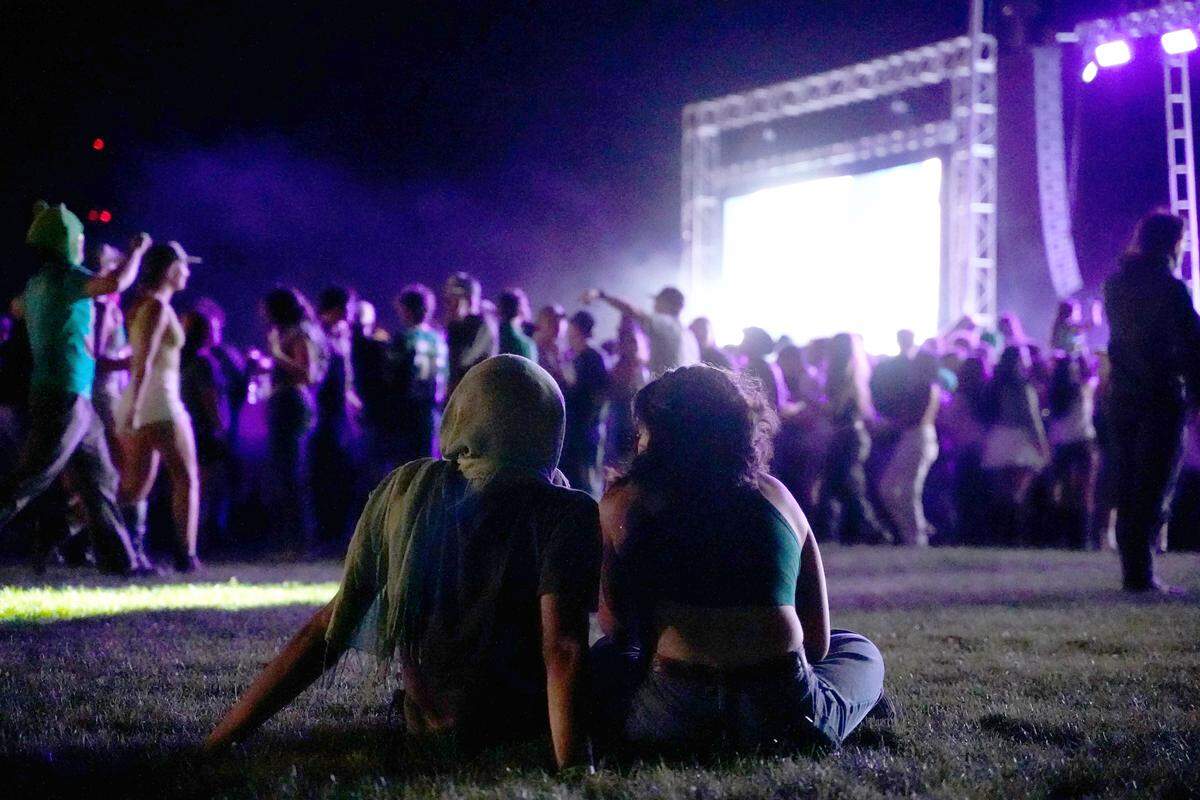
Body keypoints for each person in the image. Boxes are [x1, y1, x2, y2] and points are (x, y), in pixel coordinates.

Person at [206, 356, 601, 770]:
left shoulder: (409, 492)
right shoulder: (564, 511)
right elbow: (564, 648)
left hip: (428, 727)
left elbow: (325, 629)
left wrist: (221, 739)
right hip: (517, 727)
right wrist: (575, 769)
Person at [590, 365, 887, 757]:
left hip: (672, 713)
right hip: (782, 711)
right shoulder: (778, 498)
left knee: (605, 658)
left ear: (658, 434)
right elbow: (817, 643)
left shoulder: (625, 503)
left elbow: (617, 628)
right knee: (859, 650)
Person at [0, 203, 149, 575]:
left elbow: (16, 309)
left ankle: (120, 561)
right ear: (65, 243)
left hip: (68, 395)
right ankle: (114, 558)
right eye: (78, 239)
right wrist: (137, 252)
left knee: (101, 477)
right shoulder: (67, 277)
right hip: (64, 396)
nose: (82, 245)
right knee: (31, 478)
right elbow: (115, 284)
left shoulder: (38, 283)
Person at [1103, 211, 1200, 592]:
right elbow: (1192, 347)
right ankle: (1141, 573)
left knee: (1128, 484)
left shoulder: (1115, 286)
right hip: (1161, 396)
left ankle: (1134, 570)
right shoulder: (1171, 289)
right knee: (1154, 485)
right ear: (1172, 244)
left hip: (1123, 396)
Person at [116, 241, 203, 573]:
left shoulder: (145, 306)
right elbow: (145, 360)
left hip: (145, 403)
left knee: (134, 487)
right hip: (160, 403)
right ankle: (187, 554)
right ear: (170, 270)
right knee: (186, 478)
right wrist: (135, 408)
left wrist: (132, 407)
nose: (188, 273)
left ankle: (71, 526)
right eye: (184, 266)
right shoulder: (157, 307)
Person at [262, 287, 327, 554]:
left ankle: (299, 540)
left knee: (291, 472)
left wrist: (277, 354)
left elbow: (307, 373)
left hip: (291, 403)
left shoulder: (299, 334)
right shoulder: (300, 332)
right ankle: (292, 538)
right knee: (286, 472)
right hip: (287, 403)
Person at [814, 333, 889, 545]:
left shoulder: (841, 374)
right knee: (845, 486)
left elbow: (836, 409)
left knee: (845, 487)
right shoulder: (856, 371)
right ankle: (856, 533)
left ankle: (872, 532)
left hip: (846, 437)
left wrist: (813, 405)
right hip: (853, 436)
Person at [871, 341, 942, 546]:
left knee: (908, 490)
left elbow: (916, 417)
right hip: (915, 438)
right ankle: (914, 530)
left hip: (918, 438)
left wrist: (887, 425)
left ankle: (917, 536)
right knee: (891, 488)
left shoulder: (926, 387)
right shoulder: (920, 387)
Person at [979, 345, 1049, 546]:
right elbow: (1032, 419)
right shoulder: (1023, 387)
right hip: (1019, 442)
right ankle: (1014, 537)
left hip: (998, 439)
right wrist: (1042, 444)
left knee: (1001, 494)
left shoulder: (993, 386)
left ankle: (998, 537)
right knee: (1017, 495)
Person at [311, 286, 361, 552]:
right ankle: (327, 534)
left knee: (343, 474)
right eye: (348, 307)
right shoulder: (318, 336)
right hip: (324, 416)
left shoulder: (342, 337)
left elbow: (346, 382)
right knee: (326, 474)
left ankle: (339, 533)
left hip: (340, 416)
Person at [550, 310, 609, 496]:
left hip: (584, 430)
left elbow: (591, 395)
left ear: (576, 328)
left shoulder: (591, 357)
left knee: (584, 483)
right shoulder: (578, 356)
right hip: (579, 429)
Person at [1043, 354, 1099, 549]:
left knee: (1063, 492)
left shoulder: (1054, 394)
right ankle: (1082, 538)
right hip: (1082, 443)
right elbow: (1094, 380)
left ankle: (1062, 536)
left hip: (1061, 445)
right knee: (1084, 493)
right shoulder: (1083, 389)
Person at [581, 285, 699, 376]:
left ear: (667, 303)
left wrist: (601, 295)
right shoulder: (689, 336)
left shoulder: (663, 323)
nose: (654, 306)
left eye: (657, 301)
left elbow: (631, 310)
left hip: (668, 394)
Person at [392, 284, 447, 464]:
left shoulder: (405, 338)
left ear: (407, 310)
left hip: (408, 411)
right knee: (429, 464)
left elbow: (394, 375)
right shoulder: (438, 339)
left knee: (406, 467)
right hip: (434, 410)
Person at [604, 316, 649, 474]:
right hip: (619, 412)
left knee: (623, 458)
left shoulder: (637, 364)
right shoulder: (618, 361)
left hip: (628, 414)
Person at [443, 272, 496, 396]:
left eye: (454, 299)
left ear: (469, 299)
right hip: (459, 395)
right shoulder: (457, 325)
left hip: (475, 396)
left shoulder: (483, 325)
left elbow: (462, 359)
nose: (449, 305)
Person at [739, 327, 785, 410]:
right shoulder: (764, 364)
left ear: (754, 344)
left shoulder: (757, 367)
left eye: (745, 340)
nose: (741, 343)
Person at [497, 288, 537, 360]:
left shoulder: (494, 333)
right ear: (520, 308)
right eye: (526, 305)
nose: (528, 308)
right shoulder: (526, 345)